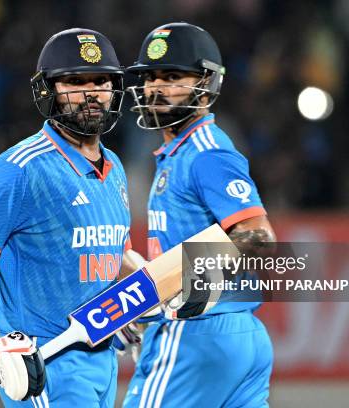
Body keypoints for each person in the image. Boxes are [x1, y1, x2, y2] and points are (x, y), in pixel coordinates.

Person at [0, 28, 137, 407]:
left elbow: (112, 253)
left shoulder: (115, 168)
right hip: (46, 362)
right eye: (75, 82)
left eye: (101, 80)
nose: (91, 92)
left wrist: (129, 304)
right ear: (48, 91)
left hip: (102, 359)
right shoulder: (21, 169)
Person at [121, 22, 276, 408]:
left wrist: (165, 292)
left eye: (172, 76)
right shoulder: (181, 152)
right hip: (240, 335)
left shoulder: (206, 152)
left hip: (195, 334)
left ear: (207, 83)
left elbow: (257, 237)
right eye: (150, 77)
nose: (156, 88)